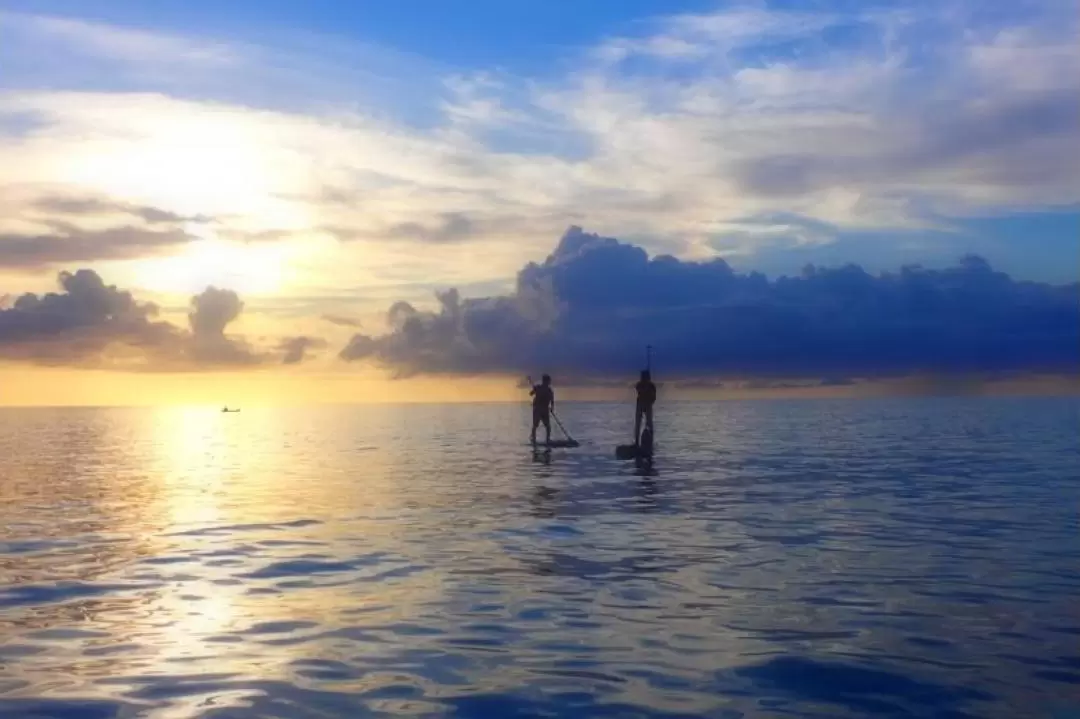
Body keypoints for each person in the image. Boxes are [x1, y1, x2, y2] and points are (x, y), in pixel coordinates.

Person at [530, 374, 555, 447]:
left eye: (549, 381)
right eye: (548, 381)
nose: (549, 382)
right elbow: (531, 394)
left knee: (548, 426)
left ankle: (547, 440)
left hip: (545, 410)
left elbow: (552, 400)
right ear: (545, 381)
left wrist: (552, 408)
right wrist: (534, 389)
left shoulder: (549, 390)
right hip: (537, 409)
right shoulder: (538, 387)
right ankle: (533, 439)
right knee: (535, 425)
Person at [634, 369, 656, 447]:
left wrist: (650, 401)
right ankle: (636, 442)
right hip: (640, 404)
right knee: (638, 423)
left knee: (649, 423)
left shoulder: (652, 386)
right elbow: (639, 390)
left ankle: (650, 441)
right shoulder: (639, 384)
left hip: (648, 404)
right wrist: (645, 388)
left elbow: (654, 397)